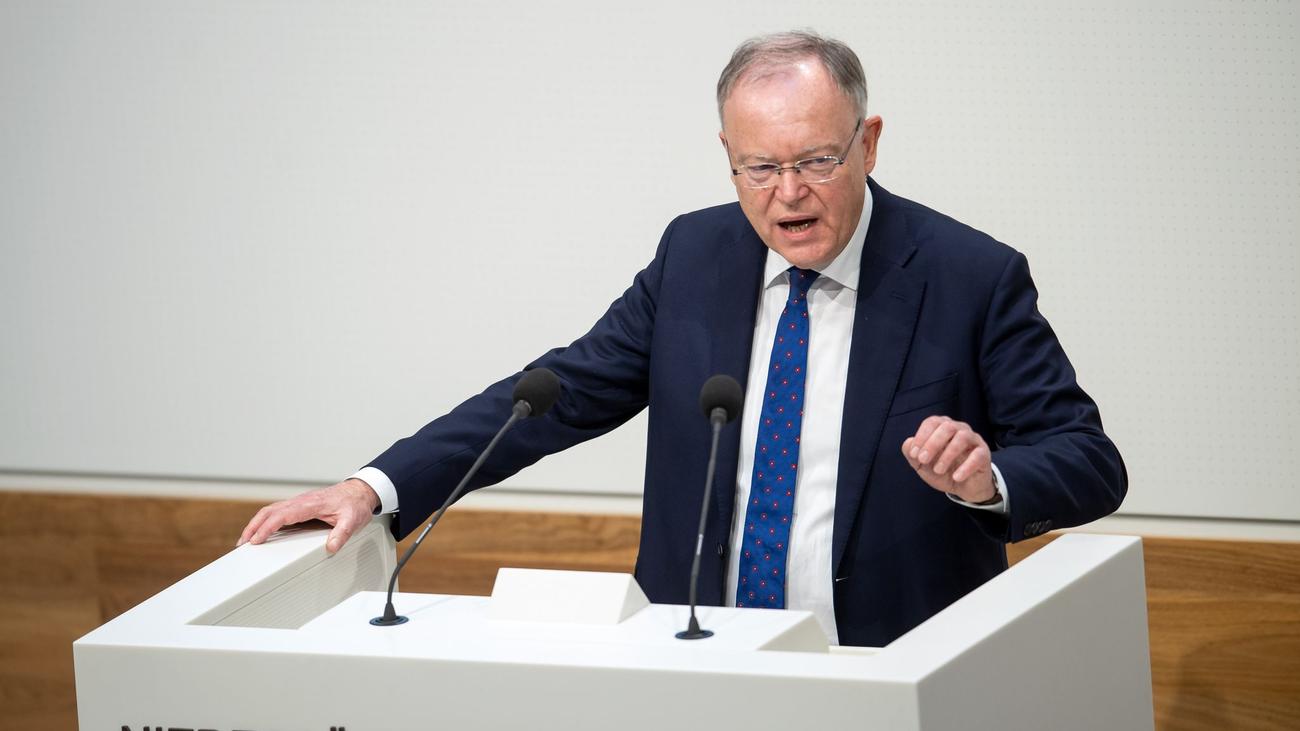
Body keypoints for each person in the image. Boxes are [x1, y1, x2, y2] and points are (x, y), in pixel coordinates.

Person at [239, 30, 1125, 647]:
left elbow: (1089, 459)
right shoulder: (694, 256)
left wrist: (987, 480)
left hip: (891, 671)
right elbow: (556, 394)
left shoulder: (969, 276)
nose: (788, 193)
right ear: (727, 155)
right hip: (694, 663)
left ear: (869, 143)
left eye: (816, 160)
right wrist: (376, 486)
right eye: (759, 167)